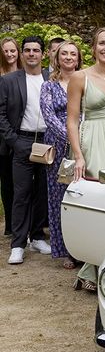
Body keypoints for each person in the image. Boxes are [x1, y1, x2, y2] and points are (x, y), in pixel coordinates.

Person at [66, 28, 105, 291]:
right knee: (98, 205)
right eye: (101, 43)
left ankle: (102, 269)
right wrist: (78, 155)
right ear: (92, 48)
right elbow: (71, 120)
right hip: (90, 143)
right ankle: (93, 270)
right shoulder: (80, 77)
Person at [0, 36, 51, 264]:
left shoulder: (51, 77)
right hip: (22, 141)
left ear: (43, 54)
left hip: (47, 142)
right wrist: (13, 140)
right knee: (21, 194)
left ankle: (38, 236)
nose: (32, 54)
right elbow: (0, 114)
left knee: (42, 192)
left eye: (36, 50)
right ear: (22, 54)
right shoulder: (9, 80)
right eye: (28, 50)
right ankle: (18, 244)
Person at [39, 40, 83, 269]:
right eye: (63, 53)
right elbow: (48, 116)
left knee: (82, 195)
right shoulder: (49, 85)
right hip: (59, 150)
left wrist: (81, 138)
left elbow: (88, 111)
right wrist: (70, 137)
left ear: (78, 58)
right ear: (56, 58)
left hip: (83, 146)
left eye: (72, 54)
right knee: (60, 198)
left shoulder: (84, 80)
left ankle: (84, 247)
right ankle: (65, 250)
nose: (68, 57)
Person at [0, 37, 22, 236]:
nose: (9, 54)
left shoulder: (26, 74)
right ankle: (9, 225)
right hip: (3, 136)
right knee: (7, 181)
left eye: (12, 51)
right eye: (6, 51)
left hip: (21, 134)